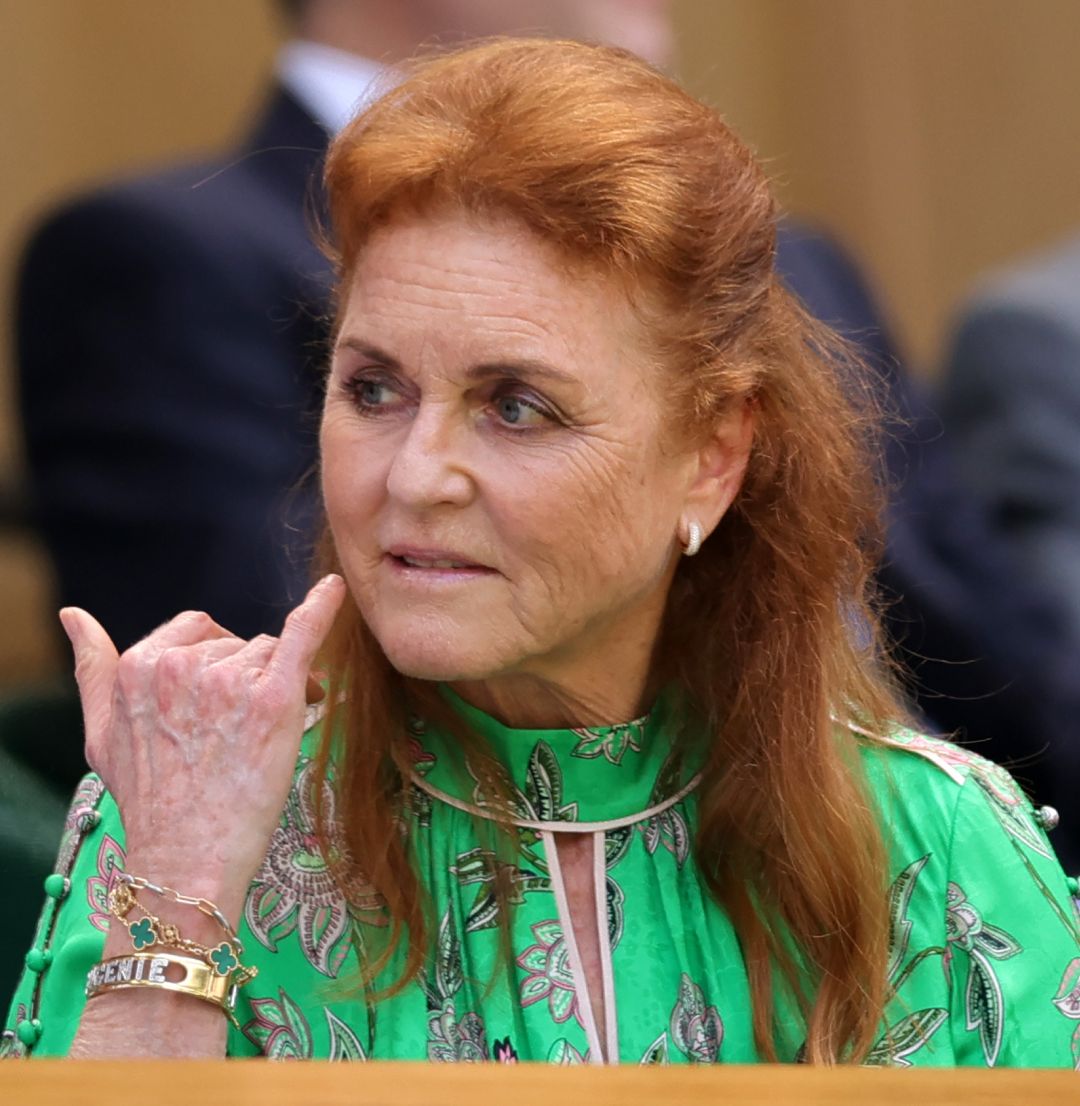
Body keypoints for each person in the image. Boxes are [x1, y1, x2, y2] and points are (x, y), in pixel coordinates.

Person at [5, 39, 1077, 1067]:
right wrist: (179, 897)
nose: (416, 475)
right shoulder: (192, 812)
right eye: (372, 389)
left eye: (515, 407)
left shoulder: (937, 847)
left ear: (712, 456)